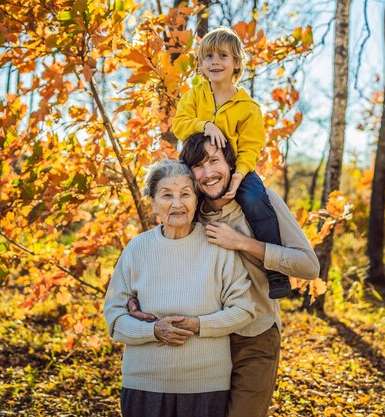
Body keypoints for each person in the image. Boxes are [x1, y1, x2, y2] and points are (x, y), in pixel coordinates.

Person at [129, 133, 320, 417]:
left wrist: (243, 242)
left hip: (255, 334)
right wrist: (134, 297)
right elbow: (159, 255)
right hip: (205, 341)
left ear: (230, 164)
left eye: (214, 161)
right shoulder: (191, 212)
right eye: (198, 166)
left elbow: (308, 266)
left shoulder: (262, 204)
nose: (208, 174)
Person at [104, 159, 256, 417]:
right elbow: (114, 318)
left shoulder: (217, 246)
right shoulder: (137, 249)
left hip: (206, 385)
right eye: (166, 195)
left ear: (196, 200)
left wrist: (198, 324)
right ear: (153, 203)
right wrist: (153, 330)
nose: (177, 203)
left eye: (185, 194)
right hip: (144, 383)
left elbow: (244, 309)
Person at [172, 26, 291, 299]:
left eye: (223, 56)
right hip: (195, 163)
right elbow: (179, 125)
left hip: (235, 168)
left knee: (253, 198)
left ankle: (276, 271)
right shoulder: (194, 95)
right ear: (200, 64)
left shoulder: (247, 107)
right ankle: (173, 253)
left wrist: (240, 175)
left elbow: (251, 147)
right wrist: (205, 124)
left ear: (236, 63)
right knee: (175, 193)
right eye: (209, 56)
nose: (215, 62)